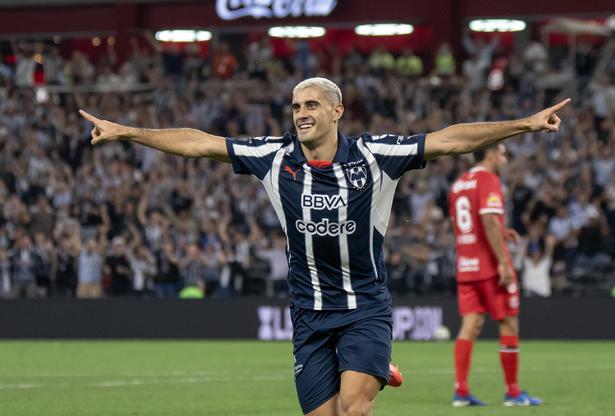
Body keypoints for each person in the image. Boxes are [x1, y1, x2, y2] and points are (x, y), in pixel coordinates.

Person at [80, 77, 568, 415]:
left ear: (337, 111)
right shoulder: (274, 157)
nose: (301, 114)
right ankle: (374, 368)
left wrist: (524, 123)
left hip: (364, 307)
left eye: (311, 105)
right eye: (296, 107)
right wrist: (127, 132)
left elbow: (450, 140)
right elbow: (199, 143)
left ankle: (368, 366)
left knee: (354, 408)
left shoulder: (375, 155)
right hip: (309, 315)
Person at [448, 143, 543, 407]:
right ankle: (513, 393)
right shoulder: (489, 180)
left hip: (466, 264)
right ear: (490, 154)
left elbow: (467, 223)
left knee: (471, 324)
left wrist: (501, 231)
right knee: (509, 323)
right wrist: (503, 261)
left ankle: (461, 391)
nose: (505, 159)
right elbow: (488, 220)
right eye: (502, 154)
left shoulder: (459, 184)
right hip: (490, 266)